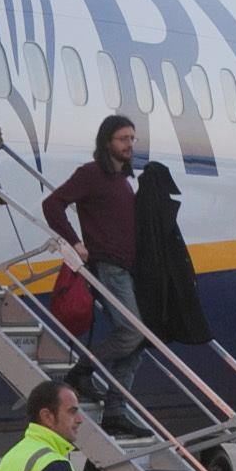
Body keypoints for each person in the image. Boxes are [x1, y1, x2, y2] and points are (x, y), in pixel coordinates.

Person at [42, 115, 145, 435]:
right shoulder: (91, 174)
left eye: (132, 139)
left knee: (137, 344)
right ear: (106, 142)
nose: (129, 144)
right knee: (131, 333)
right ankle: (81, 371)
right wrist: (75, 243)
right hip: (108, 268)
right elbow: (53, 205)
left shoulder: (123, 180)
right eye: (122, 139)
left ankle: (116, 409)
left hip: (128, 269)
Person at [133, 160, 211, 346]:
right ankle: (86, 366)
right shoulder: (157, 211)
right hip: (155, 283)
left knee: (134, 338)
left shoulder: (144, 207)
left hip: (146, 283)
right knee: (133, 338)